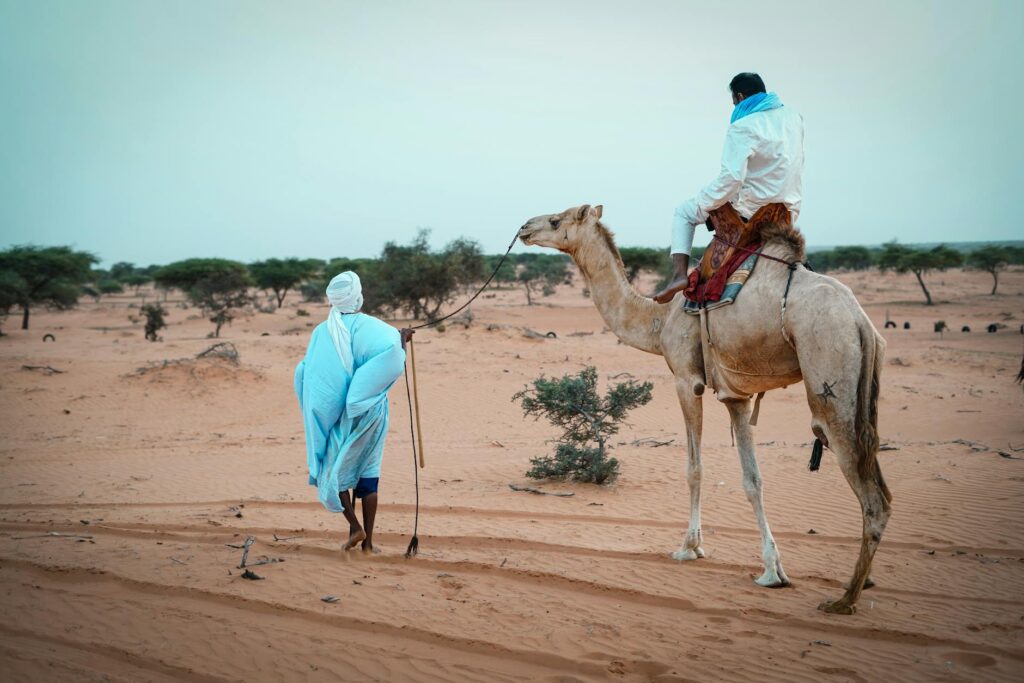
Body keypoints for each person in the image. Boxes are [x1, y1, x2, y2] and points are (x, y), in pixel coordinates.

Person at [653, 72, 805, 303]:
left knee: (684, 212)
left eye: (734, 101)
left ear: (740, 97)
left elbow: (732, 179)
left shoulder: (743, 126)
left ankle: (679, 276)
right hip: (787, 212)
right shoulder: (794, 118)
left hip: (751, 211)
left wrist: (705, 200)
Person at [294, 271, 413, 553]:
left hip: (340, 414)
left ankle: (355, 526)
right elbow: (391, 356)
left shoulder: (322, 332)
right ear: (357, 296)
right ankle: (368, 544)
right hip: (372, 412)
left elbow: (309, 372)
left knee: (334, 467)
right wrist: (403, 342)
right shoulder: (376, 327)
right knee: (368, 470)